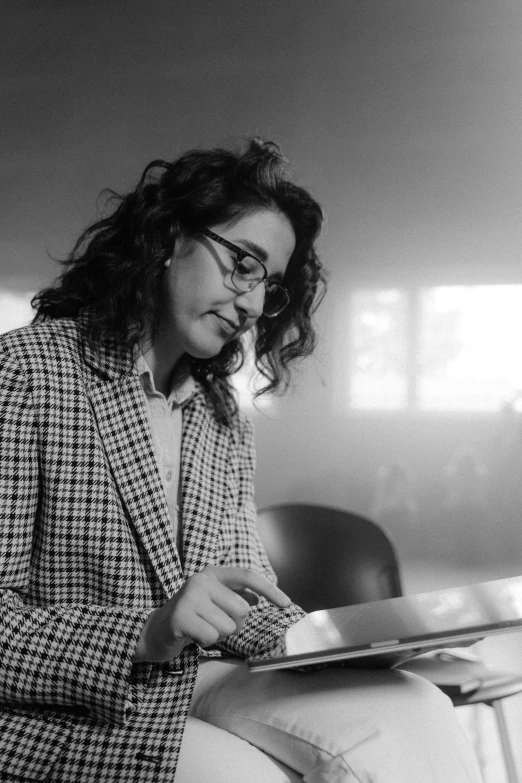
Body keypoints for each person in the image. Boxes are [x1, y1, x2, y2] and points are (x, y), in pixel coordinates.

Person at [0, 138, 482, 782]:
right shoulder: (28, 373)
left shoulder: (221, 414)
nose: (254, 304)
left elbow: (248, 596)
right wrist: (145, 632)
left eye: (271, 285)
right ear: (170, 237)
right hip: (68, 712)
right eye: (244, 264)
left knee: (415, 711)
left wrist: (356, 642)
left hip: (194, 681)